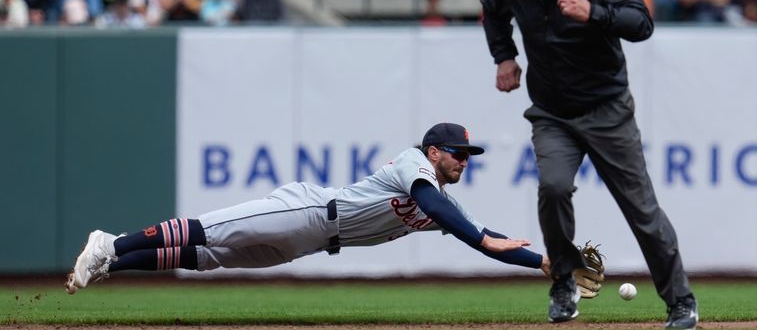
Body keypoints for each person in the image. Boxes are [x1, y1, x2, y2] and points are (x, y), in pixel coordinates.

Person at [479, 0, 698, 329]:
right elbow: (492, 9)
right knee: (554, 188)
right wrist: (504, 57)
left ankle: (681, 301)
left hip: (607, 112)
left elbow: (641, 23)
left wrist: (593, 13)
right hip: (552, 114)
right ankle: (564, 280)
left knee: (642, 211)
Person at [65, 122, 551, 294]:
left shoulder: (443, 203)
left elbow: (488, 241)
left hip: (313, 243)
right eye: (459, 154)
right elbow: (441, 212)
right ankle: (110, 241)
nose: (466, 162)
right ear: (433, 153)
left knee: (206, 259)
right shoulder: (413, 167)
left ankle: (113, 262)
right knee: (209, 230)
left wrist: (545, 263)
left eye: (469, 157)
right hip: (311, 210)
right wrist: (482, 238)